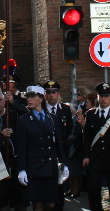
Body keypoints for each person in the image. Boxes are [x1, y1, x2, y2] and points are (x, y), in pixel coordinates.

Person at [16, 85, 68, 211]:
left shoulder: (52, 118)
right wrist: (21, 169)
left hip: (50, 167)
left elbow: (57, 144)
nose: (29, 99)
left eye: (33, 97)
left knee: (51, 203)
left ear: (41, 99)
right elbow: (21, 148)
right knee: (37, 203)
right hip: (34, 167)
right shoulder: (24, 121)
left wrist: (64, 164)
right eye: (28, 97)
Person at [82, 82, 110, 211]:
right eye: (101, 96)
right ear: (97, 97)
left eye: (106, 96)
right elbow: (87, 137)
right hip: (95, 158)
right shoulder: (91, 114)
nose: (103, 99)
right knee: (93, 189)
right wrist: (86, 155)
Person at [41, 80, 72, 209]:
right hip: (46, 151)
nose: (51, 95)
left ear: (58, 94)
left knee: (60, 182)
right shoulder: (42, 110)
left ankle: (60, 205)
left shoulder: (65, 109)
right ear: (45, 95)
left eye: (54, 92)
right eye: (48, 92)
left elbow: (69, 128)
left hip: (61, 151)